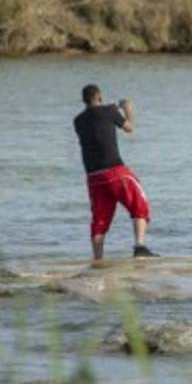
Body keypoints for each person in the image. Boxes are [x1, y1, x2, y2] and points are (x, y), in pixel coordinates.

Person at [73, 84, 155, 261]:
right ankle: (139, 247)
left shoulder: (78, 121)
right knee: (140, 205)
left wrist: (112, 107)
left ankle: (98, 259)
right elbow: (129, 127)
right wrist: (127, 109)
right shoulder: (109, 112)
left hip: (93, 177)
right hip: (115, 171)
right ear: (100, 96)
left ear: (83, 100)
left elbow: (96, 117)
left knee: (100, 219)